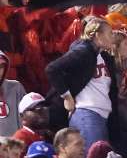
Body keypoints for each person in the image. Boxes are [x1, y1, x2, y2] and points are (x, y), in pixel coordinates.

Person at [46, 18, 119, 148]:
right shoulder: (83, 51)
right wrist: (67, 96)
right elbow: (52, 69)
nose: (113, 37)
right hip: (87, 114)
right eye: (110, 33)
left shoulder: (102, 56)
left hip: (101, 115)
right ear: (97, 35)